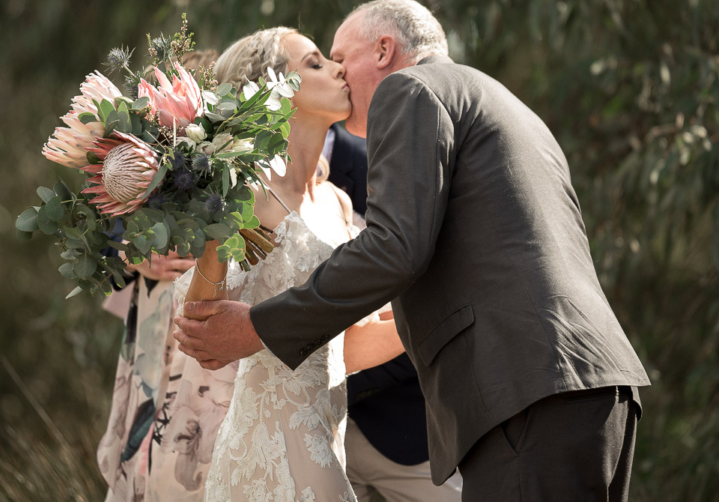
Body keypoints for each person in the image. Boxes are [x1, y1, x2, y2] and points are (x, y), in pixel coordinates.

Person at [174, 0, 651, 501]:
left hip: (526, 391)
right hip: (595, 383)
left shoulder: (411, 90)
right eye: (320, 61)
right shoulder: (503, 101)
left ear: (384, 50)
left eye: (339, 56)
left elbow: (395, 251)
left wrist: (255, 327)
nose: (337, 71)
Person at [173, 27, 405, 501]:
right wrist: (218, 229)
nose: (340, 69)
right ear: (277, 93)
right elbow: (198, 322)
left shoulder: (339, 204)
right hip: (266, 447)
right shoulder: (247, 195)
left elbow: (347, 347)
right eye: (316, 63)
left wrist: (436, 317)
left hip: (327, 436)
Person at [97, 50, 238, 502]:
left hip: (208, 314)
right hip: (156, 310)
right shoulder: (139, 151)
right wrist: (132, 253)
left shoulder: (233, 152)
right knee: (142, 436)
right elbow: (108, 225)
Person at [325, 123, 462, 502]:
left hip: (405, 427)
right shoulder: (250, 185)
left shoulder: (385, 166)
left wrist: (321, 388)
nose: (335, 64)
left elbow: (432, 301)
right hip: (308, 439)